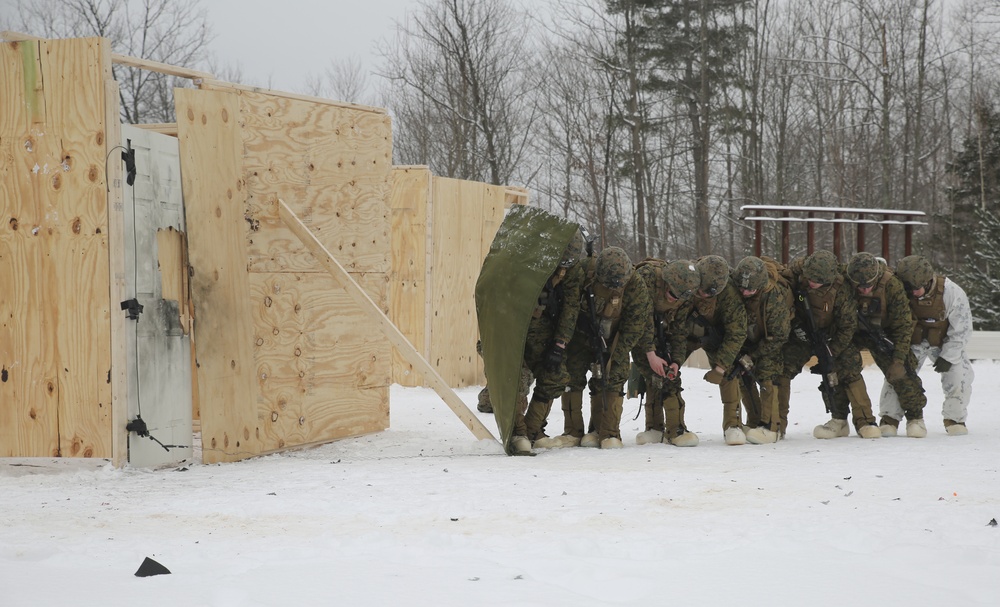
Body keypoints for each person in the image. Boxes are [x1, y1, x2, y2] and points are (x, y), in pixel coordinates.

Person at [557, 246, 661, 449]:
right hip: (580, 333)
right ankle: (572, 432)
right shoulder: (584, 271)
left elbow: (636, 323)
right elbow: (568, 304)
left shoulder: (634, 284)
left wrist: (615, 353)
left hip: (615, 337)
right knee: (571, 376)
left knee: (613, 377)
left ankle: (608, 432)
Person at [779, 250, 881, 439]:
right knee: (782, 368)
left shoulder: (841, 290)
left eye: (816, 282)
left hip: (834, 337)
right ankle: (775, 424)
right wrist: (795, 327)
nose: (811, 283)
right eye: (809, 279)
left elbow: (847, 327)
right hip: (800, 334)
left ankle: (865, 421)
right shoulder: (798, 274)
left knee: (849, 368)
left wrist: (830, 352)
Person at [879, 255, 974, 436]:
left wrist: (948, 356)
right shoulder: (899, 291)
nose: (914, 293)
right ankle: (889, 418)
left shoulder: (951, 292)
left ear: (929, 280)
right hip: (911, 344)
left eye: (917, 288)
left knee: (959, 376)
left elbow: (962, 329)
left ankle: (954, 419)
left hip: (943, 343)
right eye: (909, 289)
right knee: (895, 374)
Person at [845, 252, 928, 438]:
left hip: (885, 334)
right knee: (840, 365)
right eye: (860, 286)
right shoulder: (846, 281)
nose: (864, 290)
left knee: (902, 372)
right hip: (855, 333)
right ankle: (845, 419)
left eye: (868, 286)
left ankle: (915, 417)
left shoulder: (892, 285)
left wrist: (898, 359)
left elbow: (903, 326)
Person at [629, 258, 701, 447]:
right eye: (671, 294)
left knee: (667, 374)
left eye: (678, 298)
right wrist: (650, 353)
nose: (673, 300)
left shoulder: (685, 294)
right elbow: (639, 319)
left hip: (664, 330)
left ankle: (673, 428)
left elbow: (680, 329)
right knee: (652, 372)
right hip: (636, 328)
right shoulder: (647, 280)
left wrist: (676, 359)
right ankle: (661, 428)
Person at [685, 255, 749, 445]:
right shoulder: (687, 282)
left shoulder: (729, 293)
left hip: (716, 336)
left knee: (729, 373)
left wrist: (720, 367)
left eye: (709, 294)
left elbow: (737, 332)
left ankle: (733, 425)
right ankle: (664, 426)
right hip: (685, 331)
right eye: (701, 292)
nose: (704, 296)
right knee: (665, 366)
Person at [731, 256, 793, 444]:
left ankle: (772, 426)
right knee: (742, 376)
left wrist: (754, 355)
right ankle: (755, 421)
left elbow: (779, 335)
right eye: (742, 288)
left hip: (771, 341)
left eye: (750, 289)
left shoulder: (773, 295)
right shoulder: (737, 288)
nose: (745, 292)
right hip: (747, 338)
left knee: (768, 374)